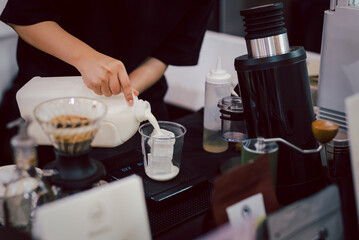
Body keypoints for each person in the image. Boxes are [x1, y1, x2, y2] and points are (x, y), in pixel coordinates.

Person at [0, 0, 215, 165]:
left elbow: (166, 53)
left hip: (138, 104)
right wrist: (84, 57)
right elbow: (24, 16)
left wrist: (126, 90)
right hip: (53, 105)